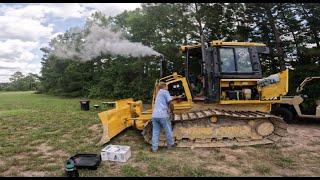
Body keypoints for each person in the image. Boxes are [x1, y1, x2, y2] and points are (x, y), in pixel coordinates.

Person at [151, 81, 181, 152]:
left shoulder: (159, 93)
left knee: (155, 131)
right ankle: (170, 145)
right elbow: (170, 102)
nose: (168, 87)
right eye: (167, 86)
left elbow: (170, 97)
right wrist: (172, 111)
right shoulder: (165, 92)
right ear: (164, 86)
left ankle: (154, 148)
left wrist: (176, 97)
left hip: (155, 115)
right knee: (168, 130)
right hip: (163, 115)